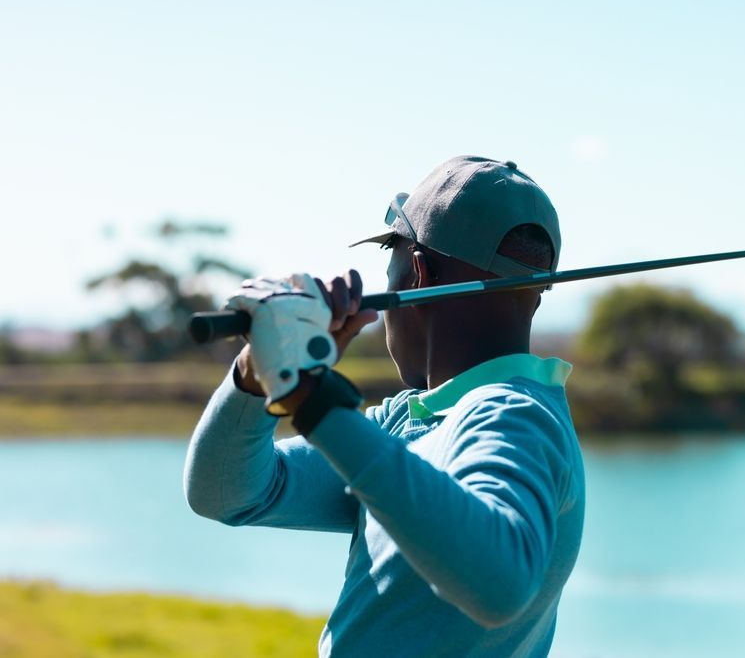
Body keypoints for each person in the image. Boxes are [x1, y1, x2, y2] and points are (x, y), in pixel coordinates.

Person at [183, 155, 586, 657]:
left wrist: (309, 394)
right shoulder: (408, 420)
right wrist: (256, 372)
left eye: (389, 265)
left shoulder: (512, 417)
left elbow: (500, 585)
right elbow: (227, 493)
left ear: (418, 272)